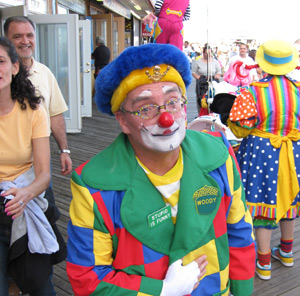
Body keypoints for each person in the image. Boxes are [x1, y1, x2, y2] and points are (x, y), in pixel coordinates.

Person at [66, 43, 256, 296]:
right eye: (146, 108)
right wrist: (163, 291)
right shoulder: (94, 185)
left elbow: (240, 229)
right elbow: (87, 278)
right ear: (122, 120)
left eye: (172, 102)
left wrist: (242, 291)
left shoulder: (217, 154)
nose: (166, 118)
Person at [225, 39, 300, 281]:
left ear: (262, 65)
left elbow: (239, 129)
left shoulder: (252, 91)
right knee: (288, 198)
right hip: (294, 152)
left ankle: (264, 262)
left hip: (261, 154)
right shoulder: (299, 88)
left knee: (262, 202)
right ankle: (287, 252)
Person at [0, 37, 66, 295]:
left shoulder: (33, 110)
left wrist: (26, 194)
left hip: (27, 200)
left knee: (41, 285)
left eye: (1, 61)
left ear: (14, 67)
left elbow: (44, 175)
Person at [4, 16, 72, 176]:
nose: (25, 41)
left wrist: (64, 150)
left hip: (40, 156)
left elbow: (55, 114)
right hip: (6, 162)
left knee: (44, 197)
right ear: (6, 40)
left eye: (30, 35)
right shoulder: (2, 76)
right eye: (17, 36)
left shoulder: (44, 72)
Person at [192, 45, 221, 113]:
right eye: (206, 53)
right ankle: (201, 112)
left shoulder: (215, 62)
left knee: (213, 97)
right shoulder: (198, 61)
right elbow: (194, 72)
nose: (208, 55)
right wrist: (197, 77)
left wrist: (217, 75)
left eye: (209, 53)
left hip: (212, 80)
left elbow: (219, 72)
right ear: (203, 53)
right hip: (202, 81)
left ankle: (213, 112)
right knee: (201, 98)